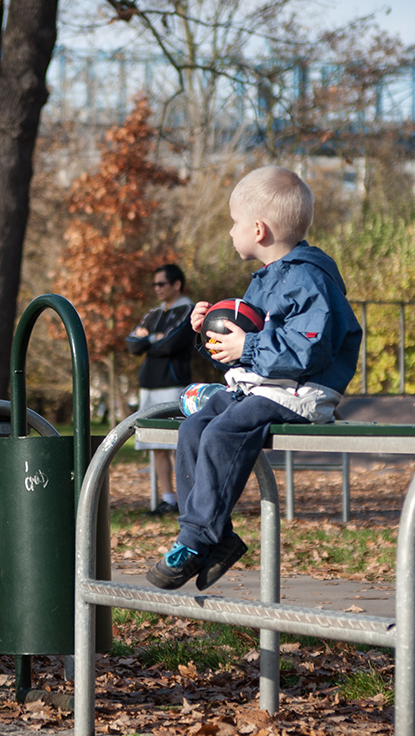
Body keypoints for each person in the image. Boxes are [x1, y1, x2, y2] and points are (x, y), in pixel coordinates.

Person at [146, 166, 363, 591]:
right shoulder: (266, 281)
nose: (230, 232)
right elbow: (248, 355)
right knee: (195, 428)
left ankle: (194, 540)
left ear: (259, 229)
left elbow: (310, 348)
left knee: (223, 431)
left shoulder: (308, 278)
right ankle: (218, 538)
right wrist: (208, 332)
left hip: (302, 392)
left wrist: (246, 347)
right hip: (266, 387)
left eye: (234, 223)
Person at [126, 263, 195, 515]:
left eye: (161, 284)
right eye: (154, 284)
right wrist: (151, 338)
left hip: (174, 385)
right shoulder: (153, 314)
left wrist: (150, 339)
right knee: (156, 445)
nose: (156, 288)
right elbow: (132, 345)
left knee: (179, 444)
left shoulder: (188, 310)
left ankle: (188, 500)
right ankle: (168, 500)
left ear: (176, 284)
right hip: (149, 386)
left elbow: (170, 343)